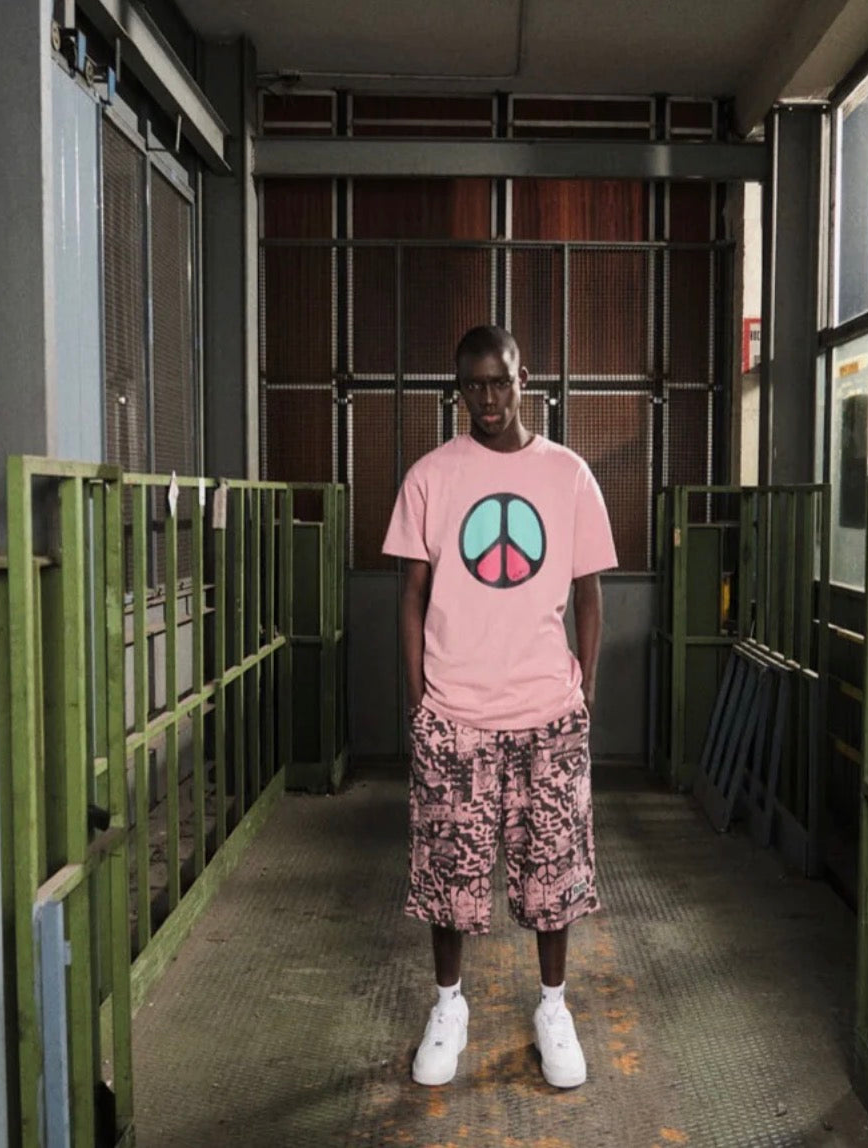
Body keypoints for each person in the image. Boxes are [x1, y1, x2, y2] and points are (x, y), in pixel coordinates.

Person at [381, 324, 618, 1090]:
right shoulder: (430, 477)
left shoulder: (569, 474)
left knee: (554, 877)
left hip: (548, 717)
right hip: (454, 718)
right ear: (458, 391)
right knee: (448, 877)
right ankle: (448, 1006)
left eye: (499, 381)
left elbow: (590, 593)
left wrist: (584, 693)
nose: (487, 398)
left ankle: (553, 1007)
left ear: (524, 380)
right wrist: (419, 703)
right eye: (472, 385)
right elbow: (410, 598)